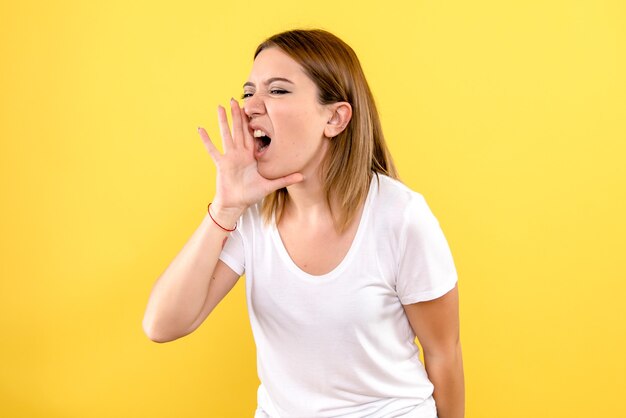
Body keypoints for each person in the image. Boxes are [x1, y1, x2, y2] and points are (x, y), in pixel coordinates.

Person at [142, 29, 464, 418]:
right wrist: (226, 208)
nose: (250, 108)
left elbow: (444, 353)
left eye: (277, 91)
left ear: (335, 118)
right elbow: (163, 324)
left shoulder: (401, 217)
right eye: (248, 91)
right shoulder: (251, 216)